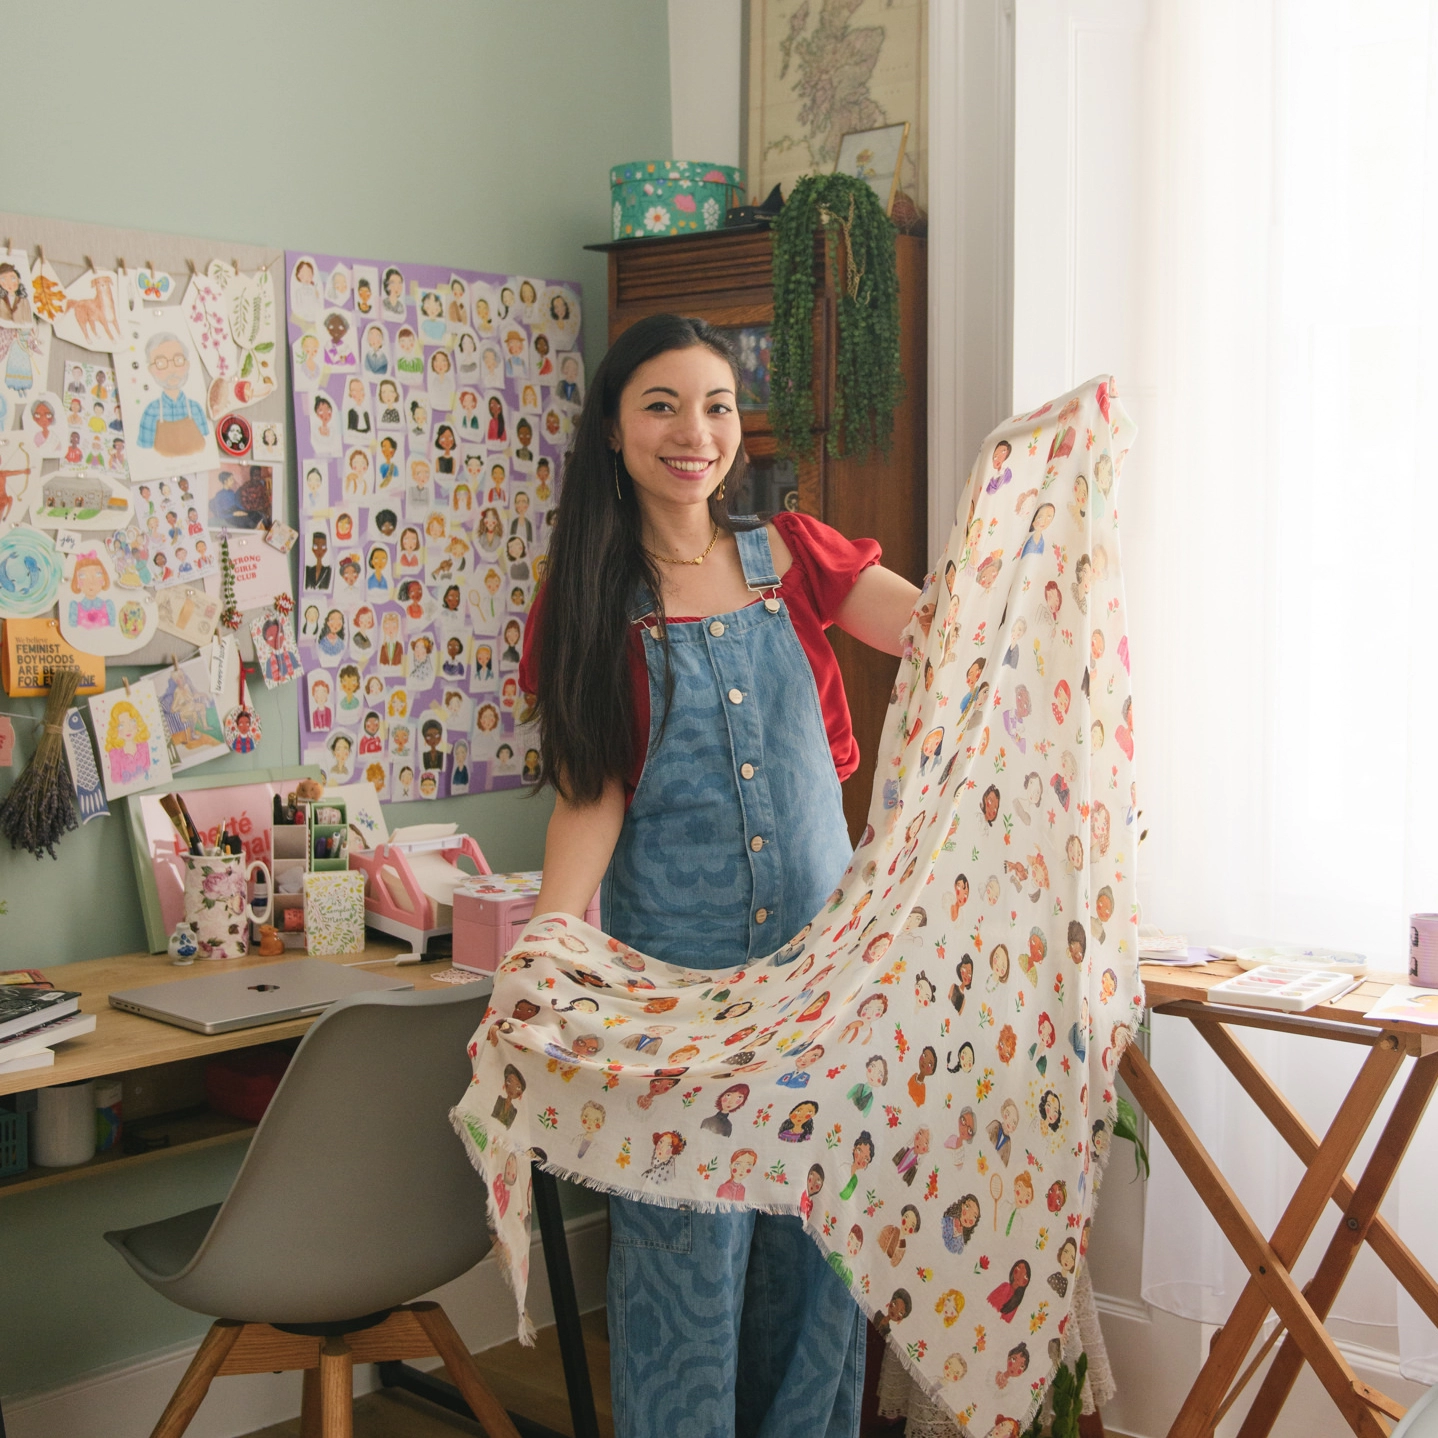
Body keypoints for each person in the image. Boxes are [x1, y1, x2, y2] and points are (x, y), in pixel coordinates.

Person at [524, 314, 920, 1438]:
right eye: (660, 404)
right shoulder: (593, 600)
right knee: (685, 1270)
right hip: (677, 997)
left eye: (714, 405)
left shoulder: (790, 553)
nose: (693, 432)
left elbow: (929, 629)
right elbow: (590, 792)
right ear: (612, 427)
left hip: (818, 985)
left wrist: (1034, 553)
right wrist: (549, 946)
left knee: (815, 1262)